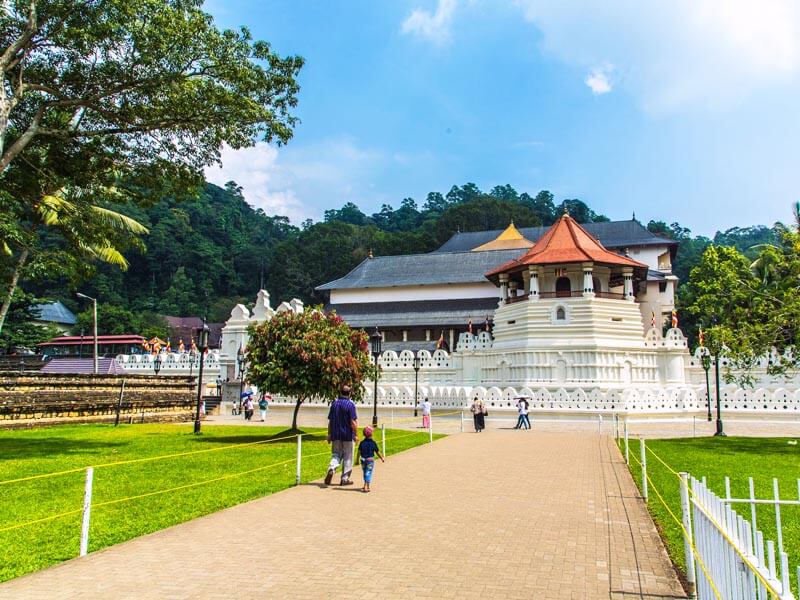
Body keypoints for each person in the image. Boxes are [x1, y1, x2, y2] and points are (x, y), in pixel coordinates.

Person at [325, 385, 358, 486]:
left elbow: (330, 422)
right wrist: (356, 434)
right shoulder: (350, 405)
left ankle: (332, 468)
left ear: (340, 392)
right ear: (349, 393)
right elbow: (353, 422)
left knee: (336, 454)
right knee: (348, 457)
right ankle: (344, 478)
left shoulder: (334, 404)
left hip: (336, 434)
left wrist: (329, 434)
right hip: (348, 435)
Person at [357, 426, 384, 493]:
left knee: (365, 472)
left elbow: (359, 452)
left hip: (363, 460)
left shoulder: (362, 443)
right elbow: (377, 452)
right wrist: (382, 458)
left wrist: (357, 460)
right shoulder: (373, 443)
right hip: (370, 460)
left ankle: (366, 485)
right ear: (371, 434)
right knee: (368, 472)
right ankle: (366, 485)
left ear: (364, 434)